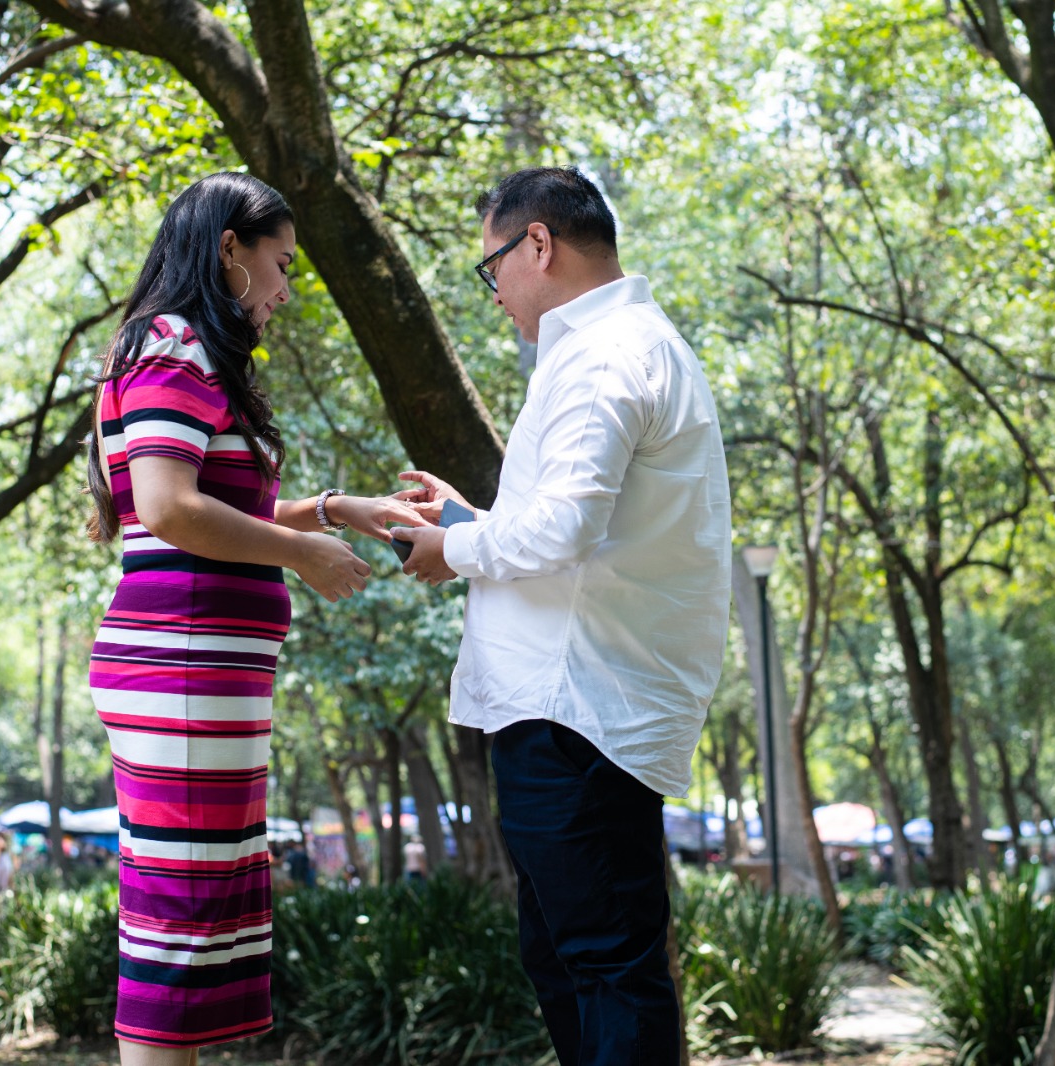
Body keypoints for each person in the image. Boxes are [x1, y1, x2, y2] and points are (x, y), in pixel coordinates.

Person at [392, 166, 732, 1066]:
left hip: (576, 713)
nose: (494, 290)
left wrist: (454, 548)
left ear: (537, 244)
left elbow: (566, 530)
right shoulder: (621, 345)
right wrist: (470, 520)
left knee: (606, 969)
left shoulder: (603, 353)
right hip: (579, 705)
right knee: (573, 964)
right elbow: (581, 533)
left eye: (492, 266)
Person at [83, 172, 424, 1064]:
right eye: (282, 264)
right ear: (229, 248)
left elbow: (215, 505)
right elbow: (168, 507)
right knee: (178, 925)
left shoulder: (187, 350)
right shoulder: (172, 344)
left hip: (202, 673)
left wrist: (334, 511)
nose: (284, 289)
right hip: (182, 668)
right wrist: (301, 554)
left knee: (195, 920)